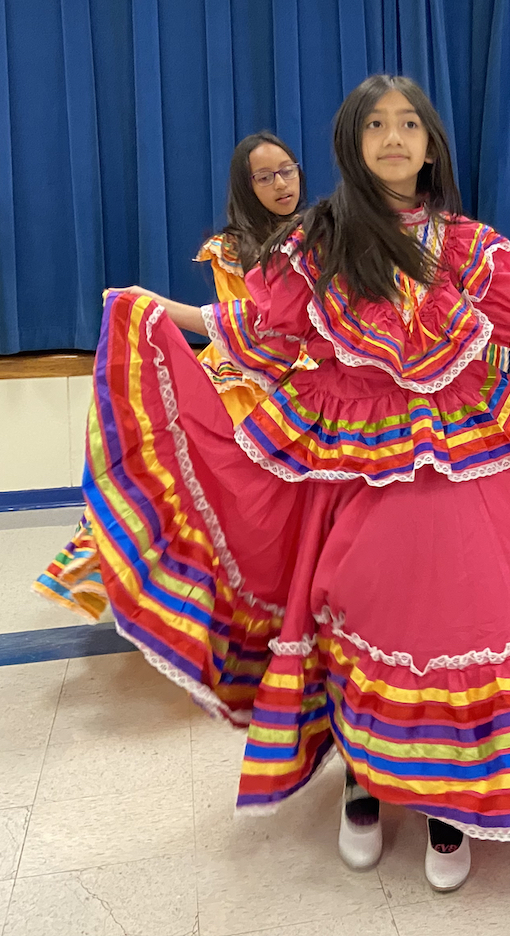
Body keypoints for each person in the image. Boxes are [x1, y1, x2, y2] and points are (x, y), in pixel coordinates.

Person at [73, 75, 510, 890]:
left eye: (409, 125)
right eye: (376, 126)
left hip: (463, 442)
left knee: (457, 617)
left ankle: (445, 800)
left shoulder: (467, 244)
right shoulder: (317, 240)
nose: (394, 138)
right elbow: (257, 329)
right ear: (352, 143)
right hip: (346, 448)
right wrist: (155, 310)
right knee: (358, 607)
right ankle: (365, 777)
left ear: (431, 143)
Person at [35, 132, 307, 621]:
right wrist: (154, 304)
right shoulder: (231, 248)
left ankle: (283, 596)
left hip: (309, 383)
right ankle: (190, 594)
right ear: (246, 187)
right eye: (264, 177)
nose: (281, 183)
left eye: (287, 169)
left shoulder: (319, 235)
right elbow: (251, 323)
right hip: (242, 381)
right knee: (191, 481)